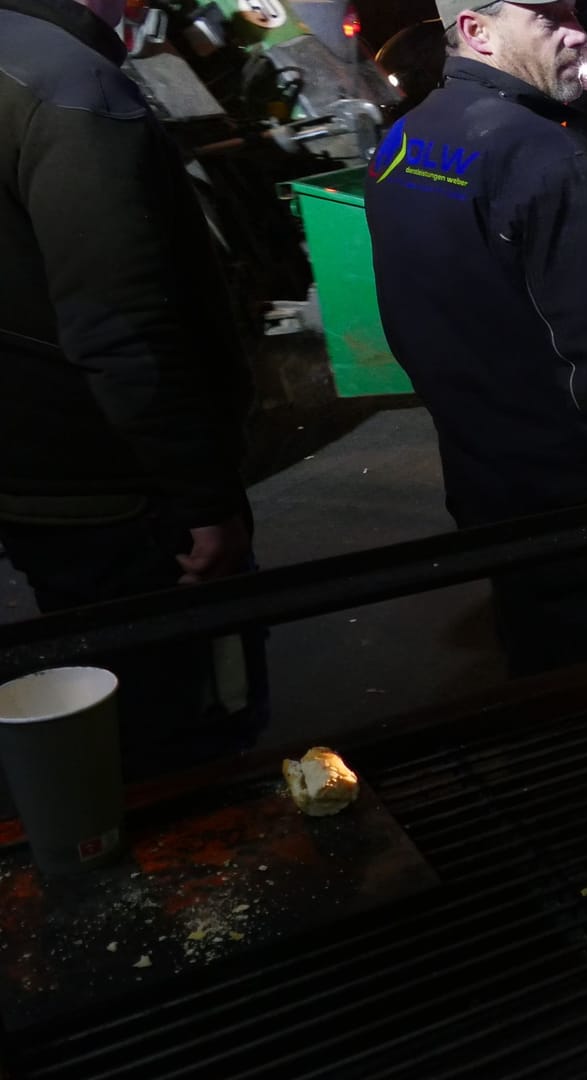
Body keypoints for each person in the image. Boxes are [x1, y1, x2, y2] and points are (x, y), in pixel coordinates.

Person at [364, 0, 587, 676]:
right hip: (585, 513)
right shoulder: (550, 161)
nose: (578, 33)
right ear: (477, 32)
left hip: (489, 489)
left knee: (539, 680)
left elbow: (412, 325)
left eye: (573, 13)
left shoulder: (402, 143)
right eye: (548, 19)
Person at [0, 0, 264, 773]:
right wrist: (204, 501)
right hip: (119, 484)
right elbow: (120, 329)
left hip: (34, 469)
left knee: (99, 698)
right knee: (189, 718)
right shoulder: (68, 87)